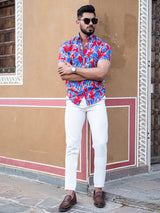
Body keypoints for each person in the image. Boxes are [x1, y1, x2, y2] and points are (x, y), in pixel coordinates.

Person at [58, 5, 111, 212]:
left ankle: (99, 189)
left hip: (96, 100)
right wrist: (87, 71)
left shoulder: (103, 47)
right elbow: (64, 75)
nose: (91, 24)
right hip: (74, 101)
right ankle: (70, 193)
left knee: (101, 143)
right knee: (71, 146)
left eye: (93, 21)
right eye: (87, 20)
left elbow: (101, 74)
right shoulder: (66, 46)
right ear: (78, 21)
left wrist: (74, 69)